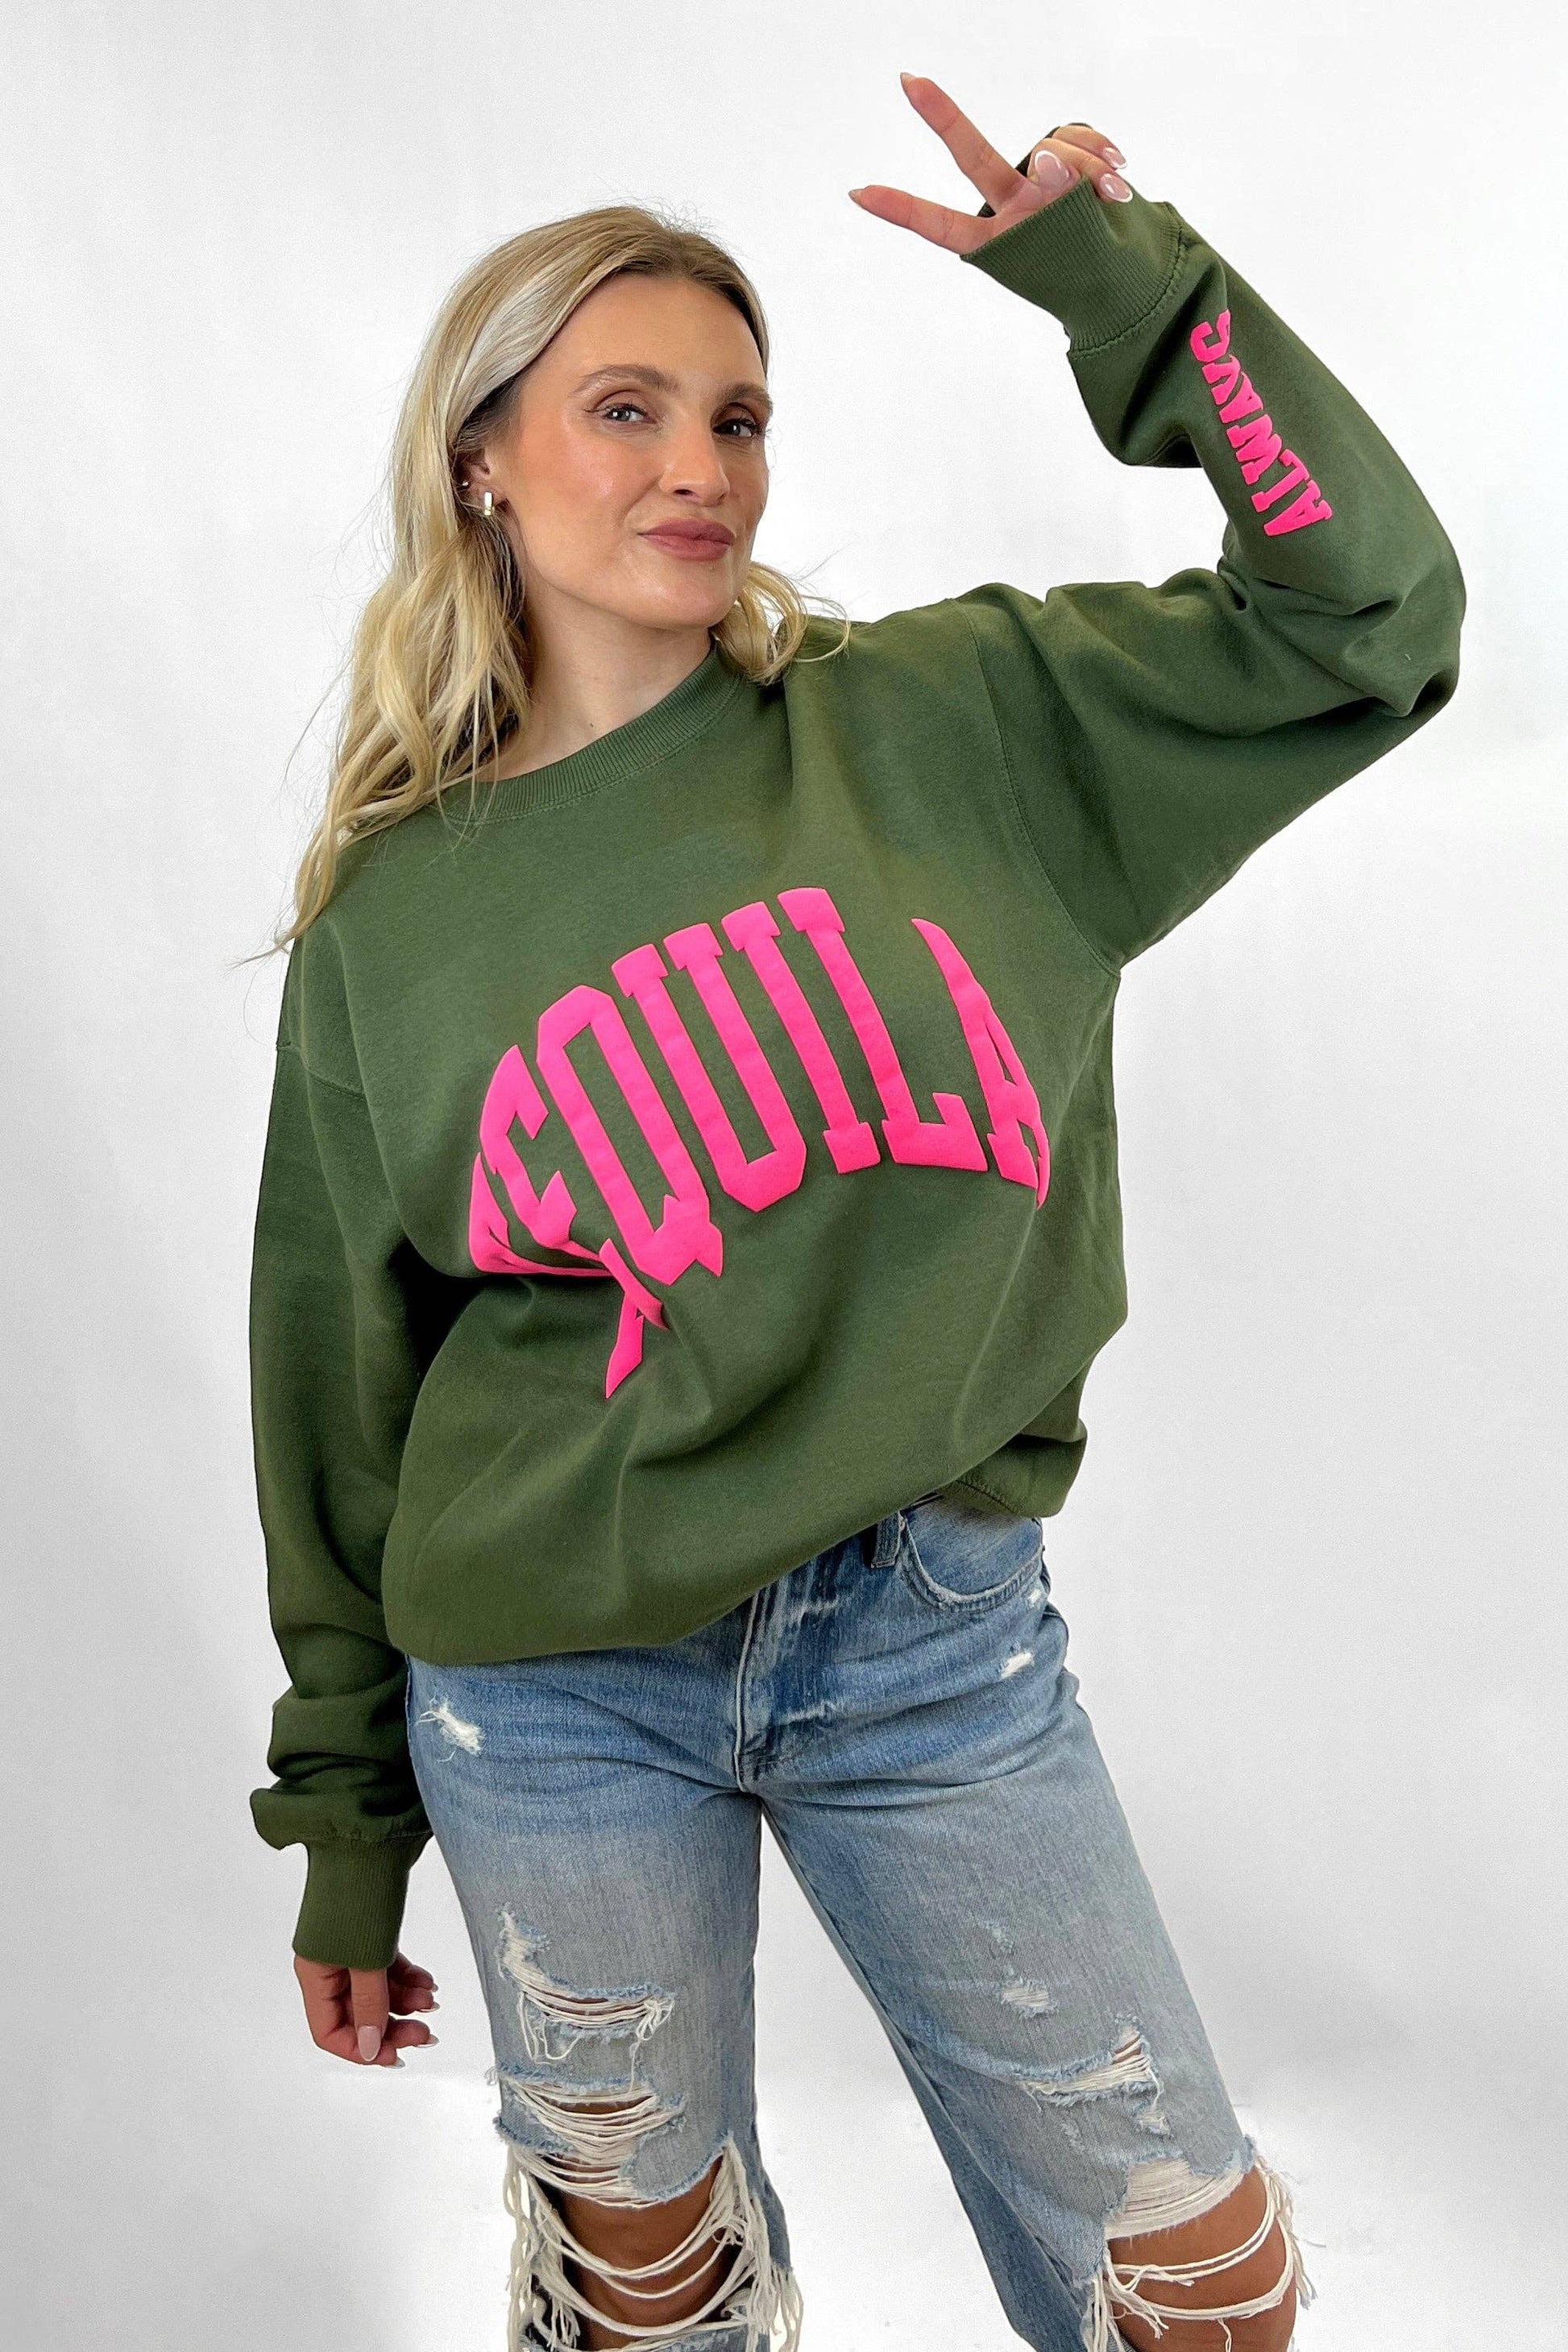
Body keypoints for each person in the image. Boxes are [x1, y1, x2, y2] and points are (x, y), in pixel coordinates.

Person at [244, 69, 1463, 2352]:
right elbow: (337, 1377)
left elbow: (1367, 615)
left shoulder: (963, 725)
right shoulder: (391, 923)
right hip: (546, 1679)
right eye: (624, 410)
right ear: (480, 460)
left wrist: (1121, 284)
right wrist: (343, 1819)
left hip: (932, 1644)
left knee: (1193, 2293)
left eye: (737, 417)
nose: (699, 467)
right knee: (648, 2304)